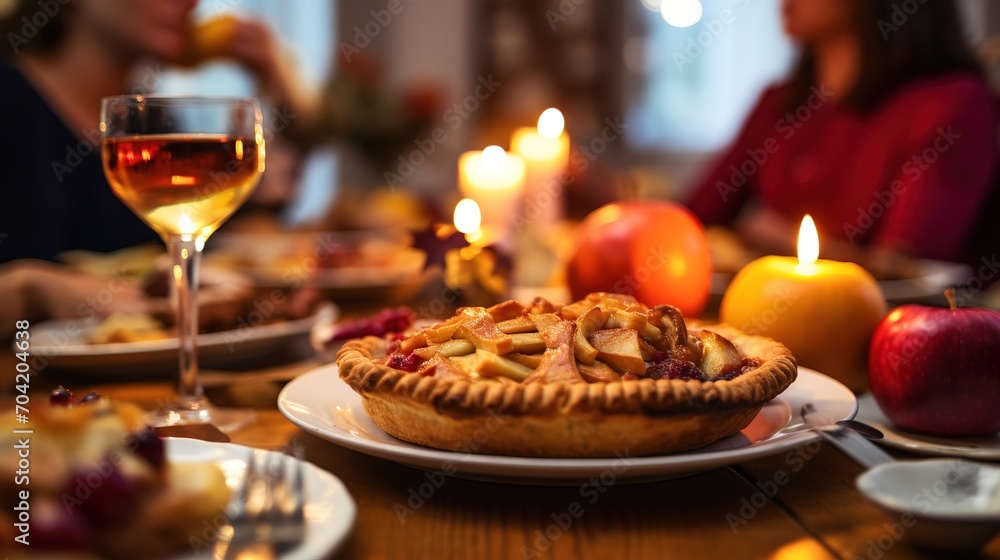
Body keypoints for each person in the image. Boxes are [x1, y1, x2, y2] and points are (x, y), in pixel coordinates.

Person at [686, 0, 997, 274]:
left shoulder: (953, 104)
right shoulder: (778, 104)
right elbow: (691, 220)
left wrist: (777, 242)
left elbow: (909, 270)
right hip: (768, 319)